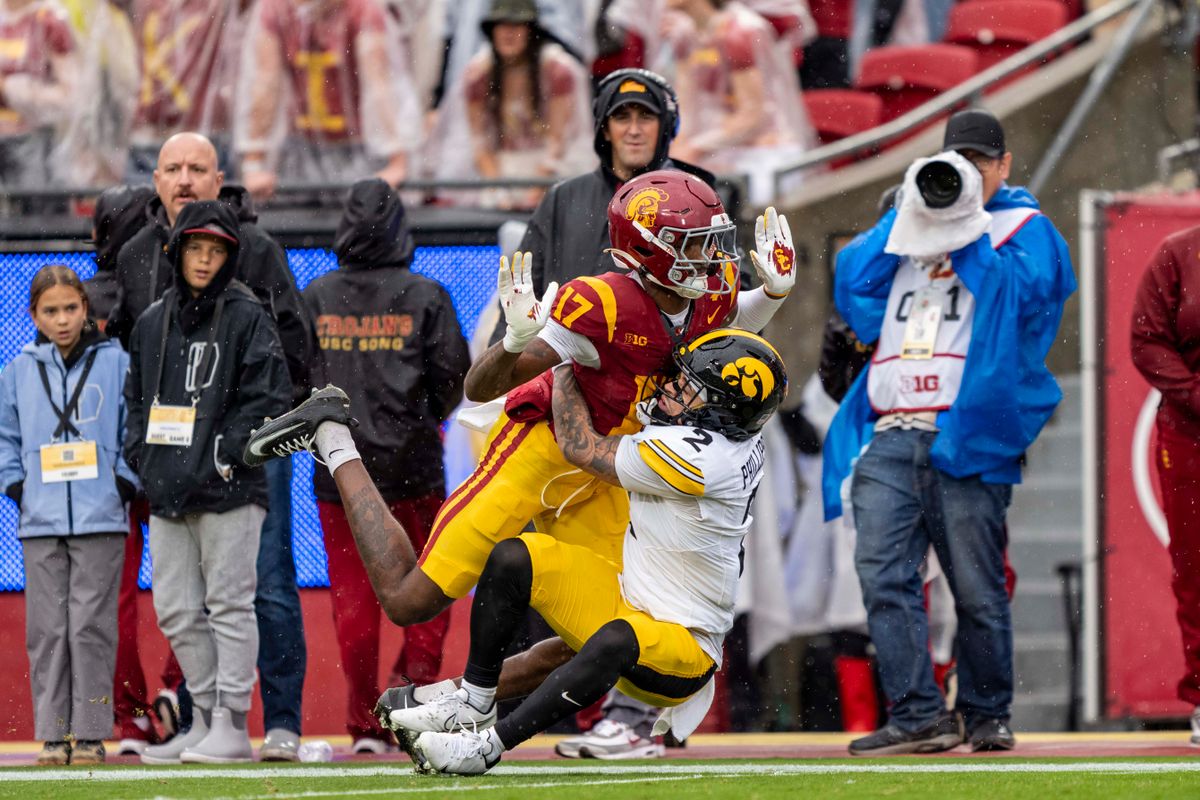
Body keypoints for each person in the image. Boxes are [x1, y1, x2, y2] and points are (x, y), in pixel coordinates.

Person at [245, 169, 796, 747]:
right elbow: (480, 388)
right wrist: (511, 342)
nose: (711, 259)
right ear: (645, 248)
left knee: (611, 625)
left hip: (609, 471)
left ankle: (447, 700)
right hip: (541, 451)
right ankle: (331, 435)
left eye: (711, 241)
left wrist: (772, 295)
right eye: (693, 244)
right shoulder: (602, 301)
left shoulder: (705, 293)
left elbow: (712, 336)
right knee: (410, 601)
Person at [385, 329, 787, 774]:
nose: (671, 387)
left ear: (720, 411)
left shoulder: (700, 459)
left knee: (617, 638)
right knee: (516, 557)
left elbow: (580, 447)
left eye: (688, 388)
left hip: (686, 647)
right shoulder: (730, 433)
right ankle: (475, 701)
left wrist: (566, 361)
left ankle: (488, 745)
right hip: (632, 600)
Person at [823, 107, 1075, 754]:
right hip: (893, 430)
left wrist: (965, 225)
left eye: (981, 162)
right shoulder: (912, 223)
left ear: (1004, 165)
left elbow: (1017, 299)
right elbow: (853, 283)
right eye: (956, 162)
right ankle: (918, 714)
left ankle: (988, 711)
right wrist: (906, 211)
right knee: (882, 576)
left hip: (967, 431)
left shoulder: (1025, 227)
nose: (968, 174)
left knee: (976, 586)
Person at [501, 65, 714, 758]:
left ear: (667, 127)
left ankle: (637, 712)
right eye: (620, 116)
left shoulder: (702, 197)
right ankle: (572, 706)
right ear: (601, 126)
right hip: (578, 421)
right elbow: (524, 312)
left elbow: (724, 316)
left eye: (645, 116)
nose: (631, 127)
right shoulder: (564, 201)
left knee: (660, 573)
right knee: (571, 573)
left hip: (668, 420)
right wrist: (515, 355)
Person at [108, 131, 313, 762]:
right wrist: (142, 452)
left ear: (219, 175)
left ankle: (277, 722)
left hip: (245, 453)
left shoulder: (257, 250)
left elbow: (292, 351)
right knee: (177, 599)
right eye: (173, 167)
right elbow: (130, 365)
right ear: (157, 179)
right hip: (170, 458)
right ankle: (203, 719)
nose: (185, 178)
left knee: (266, 584)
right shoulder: (137, 253)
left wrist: (247, 442)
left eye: (198, 167)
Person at [301, 178, 471, 754]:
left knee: (353, 603)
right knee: (431, 587)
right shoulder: (426, 294)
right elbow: (455, 378)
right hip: (415, 470)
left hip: (339, 476)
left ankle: (364, 724)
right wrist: (415, 419)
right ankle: (412, 696)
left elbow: (300, 386)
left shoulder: (317, 296)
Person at [0, 265, 134, 766]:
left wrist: (124, 481)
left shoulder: (116, 362)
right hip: (39, 518)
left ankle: (93, 733)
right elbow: (5, 438)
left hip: (102, 516)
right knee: (48, 630)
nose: (61, 320)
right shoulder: (17, 371)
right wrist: (17, 485)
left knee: (91, 628)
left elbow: (131, 428)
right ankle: (54, 735)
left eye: (70, 308)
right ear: (32, 314)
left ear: (86, 309)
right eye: (50, 311)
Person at [83, 184, 184, 756]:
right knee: (185, 590)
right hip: (167, 454)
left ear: (98, 233)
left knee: (116, 600)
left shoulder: (80, 298)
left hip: (104, 472)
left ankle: (132, 717)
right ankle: (175, 691)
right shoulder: (172, 283)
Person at [235, 0, 421, 202]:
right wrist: (253, 165)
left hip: (357, 148)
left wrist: (397, 161)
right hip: (300, 150)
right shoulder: (275, 8)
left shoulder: (362, 8)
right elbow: (265, 84)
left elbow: (381, 84)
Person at [1130, 224, 1200, 747]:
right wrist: (1197, 397)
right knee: (1196, 572)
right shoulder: (1178, 253)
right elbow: (1148, 340)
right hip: (1190, 437)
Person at [427, 0, 594, 209]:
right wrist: (499, 189)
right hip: (498, 170)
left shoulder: (558, 71)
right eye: (501, 25)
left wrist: (536, 189)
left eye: (516, 25)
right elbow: (479, 144)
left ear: (530, 31)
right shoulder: (477, 75)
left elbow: (558, 142)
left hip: (553, 169)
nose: (508, 33)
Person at [664, 0, 816, 205]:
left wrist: (696, 147)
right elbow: (686, 107)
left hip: (763, 152)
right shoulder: (685, 36)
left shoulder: (738, 33)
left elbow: (754, 115)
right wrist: (678, 147)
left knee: (732, 207)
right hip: (720, 148)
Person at [126, 0, 238, 182]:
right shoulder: (145, 5)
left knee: (204, 208)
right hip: (148, 140)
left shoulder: (216, 6)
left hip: (205, 139)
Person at [0, 0, 79, 189]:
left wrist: (9, 89)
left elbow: (69, 97)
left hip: (31, 146)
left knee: (33, 212)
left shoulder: (50, 21)